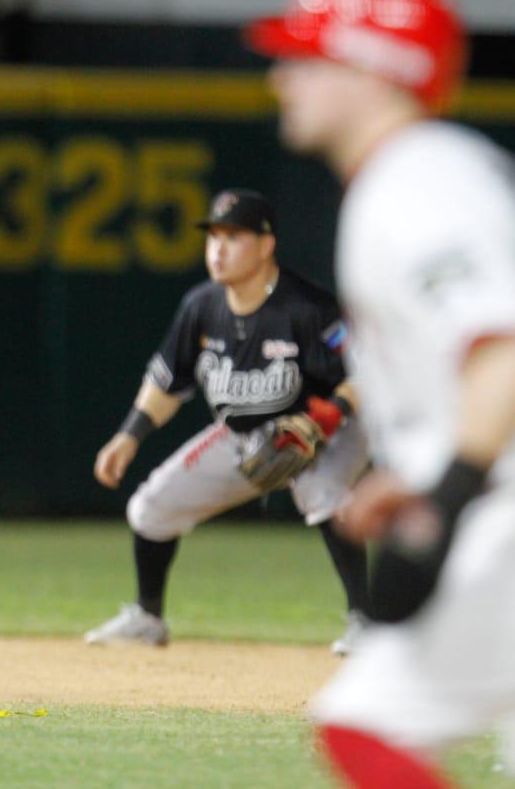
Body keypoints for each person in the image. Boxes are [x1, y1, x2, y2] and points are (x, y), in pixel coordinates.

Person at [247, 0, 515, 788]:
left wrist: (448, 491)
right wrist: (426, 477)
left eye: (304, 56)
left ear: (372, 68)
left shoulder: (417, 181)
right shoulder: (412, 178)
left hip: (499, 510)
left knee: (367, 722)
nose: (278, 79)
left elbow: (504, 346)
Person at [86, 189, 372, 655]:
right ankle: (147, 617)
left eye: (233, 237)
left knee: (322, 493)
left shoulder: (308, 308)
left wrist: (329, 414)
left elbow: (370, 373)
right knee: (150, 508)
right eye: (213, 237)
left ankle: (366, 622)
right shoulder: (201, 306)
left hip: (327, 430)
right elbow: (165, 382)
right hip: (242, 435)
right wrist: (128, 436)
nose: (218, 249)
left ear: (265, 245)